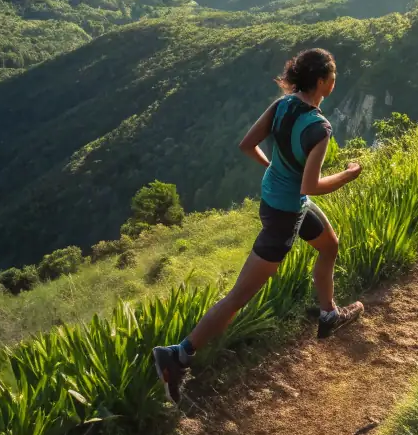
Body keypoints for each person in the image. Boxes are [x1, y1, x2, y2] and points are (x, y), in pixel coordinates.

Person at [153, 47, 364, 405]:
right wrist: (347, 175)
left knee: (329, 245)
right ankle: (178, 355)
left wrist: (272, 168)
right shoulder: (319, 129)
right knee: (239, 295)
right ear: (322, 82)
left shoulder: (282, 105)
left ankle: (328, 314)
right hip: (285, 215)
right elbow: (310, 186)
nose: (335, 80)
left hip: (278, 201)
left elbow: (247, 144)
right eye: (333, 75)